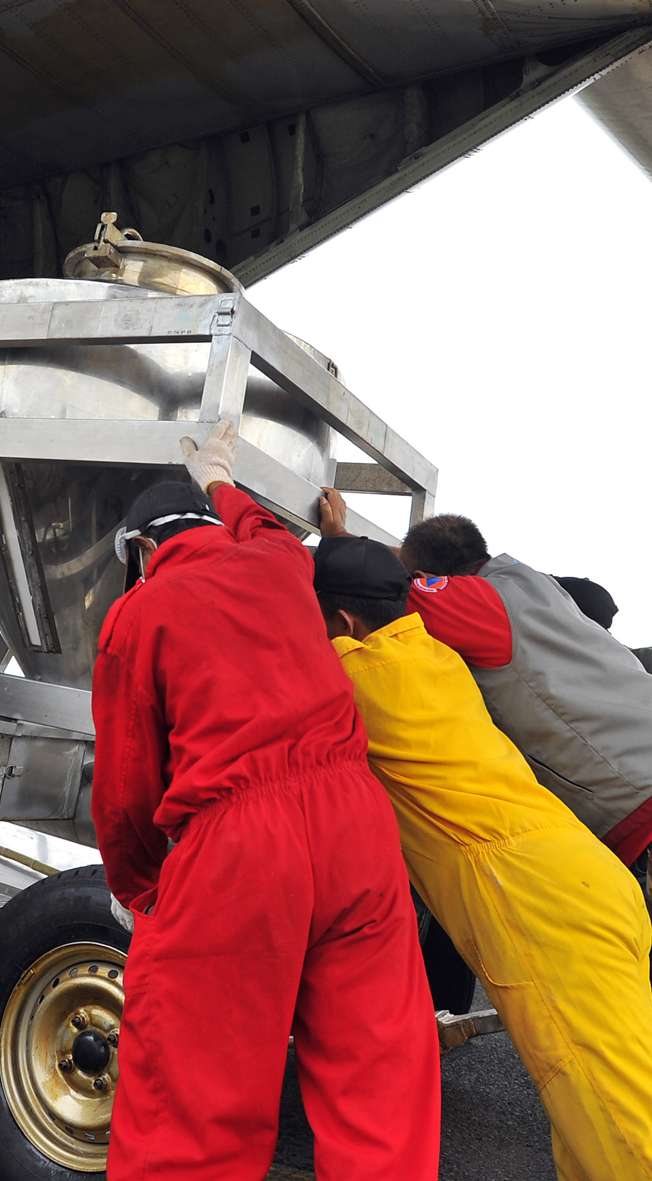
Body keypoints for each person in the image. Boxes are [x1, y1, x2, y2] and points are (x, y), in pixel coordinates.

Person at [92, 420, 440, 1180]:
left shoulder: (138, 613)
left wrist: (143, 886)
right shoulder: (280, 558)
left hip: (239, 847)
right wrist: (220, 479)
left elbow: (124, 787)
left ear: (143, 550)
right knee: (378, 1090)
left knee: (192, 1109)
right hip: (357, 827)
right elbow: (260, 524)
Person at [314, 533, 652, 1181]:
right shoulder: (436, 659)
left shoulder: (354, 684)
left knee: (620, 1137)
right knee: (590, 1124)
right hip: (590, 874)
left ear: (342, 625)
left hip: (539, 908)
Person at [319, 491, 652, 868]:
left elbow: (378, 593)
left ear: (429, 577)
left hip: (636, 801)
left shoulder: (481, 603)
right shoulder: (530, 583)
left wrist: (338, 536)